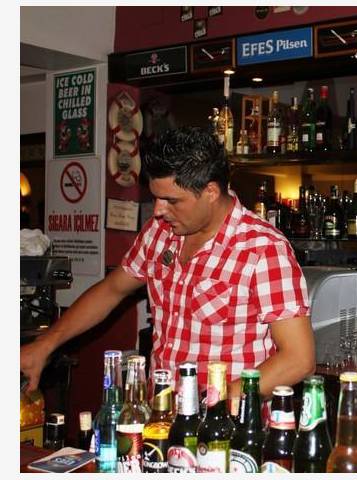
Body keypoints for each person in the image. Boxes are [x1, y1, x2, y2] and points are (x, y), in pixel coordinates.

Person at [20, 127, 315, 400]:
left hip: (226, 425)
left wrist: (213, 406)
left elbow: (298, 360)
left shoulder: (262, 248)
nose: (159, 211)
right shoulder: (158, 233)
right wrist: (45, 345)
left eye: (171, 200)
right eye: (156, 198)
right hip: (162, 414)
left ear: (211, 192)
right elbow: (112, 290)